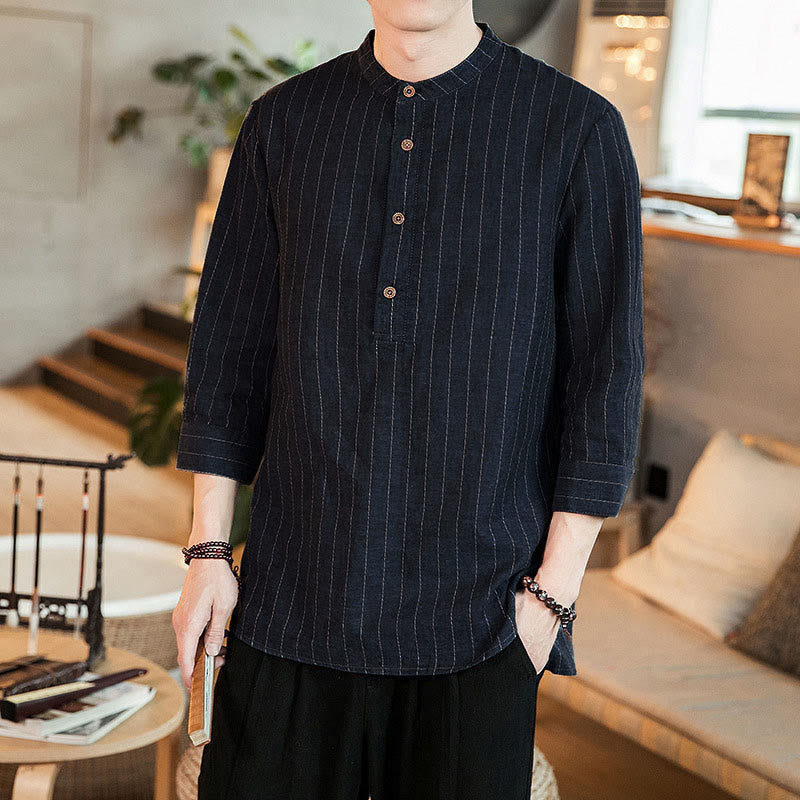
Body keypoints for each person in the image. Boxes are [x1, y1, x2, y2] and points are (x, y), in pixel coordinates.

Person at [172, 1, 645, 797]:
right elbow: (228, 351)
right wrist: (208, 553)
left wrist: (551, 599)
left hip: (481, 619)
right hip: (290, 598)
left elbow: (605, 376)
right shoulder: (283, 122)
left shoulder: (576, 129)